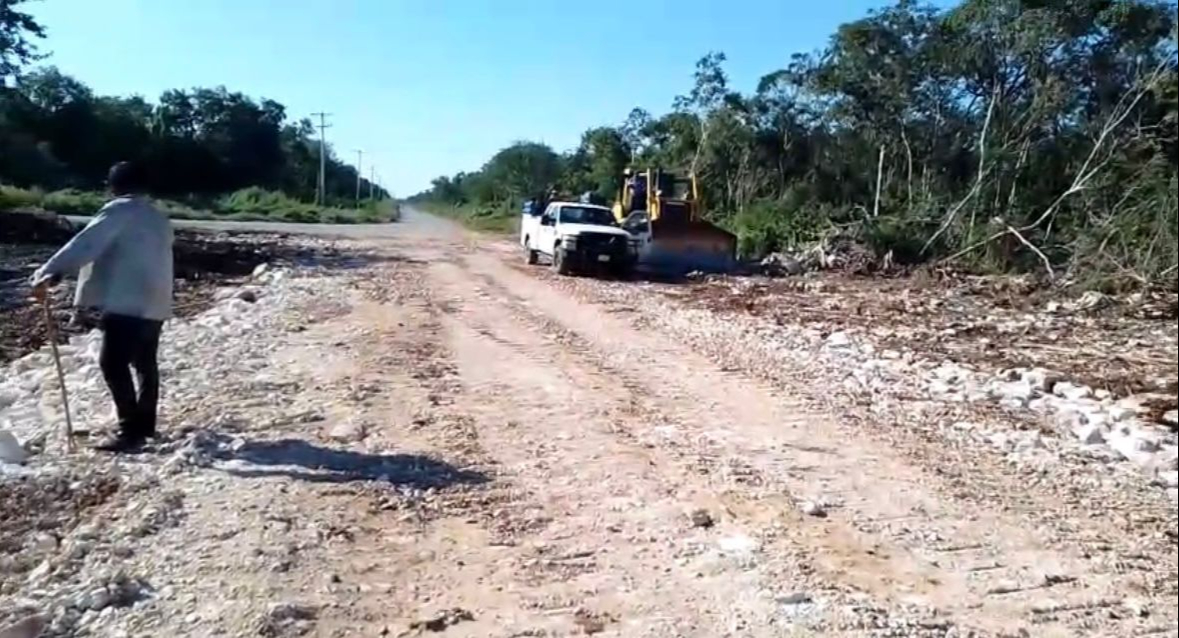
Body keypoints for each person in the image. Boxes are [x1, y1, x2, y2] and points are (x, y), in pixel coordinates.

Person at [32, 161, 174, 453]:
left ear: (113, 186)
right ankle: (145, 425)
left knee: (112, 363)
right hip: (155, 299)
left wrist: (49, 273)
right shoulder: (158, 216)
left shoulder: (118, 211)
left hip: (127, 298)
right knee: (145, 363)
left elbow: (86, 243)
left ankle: (128, 432)